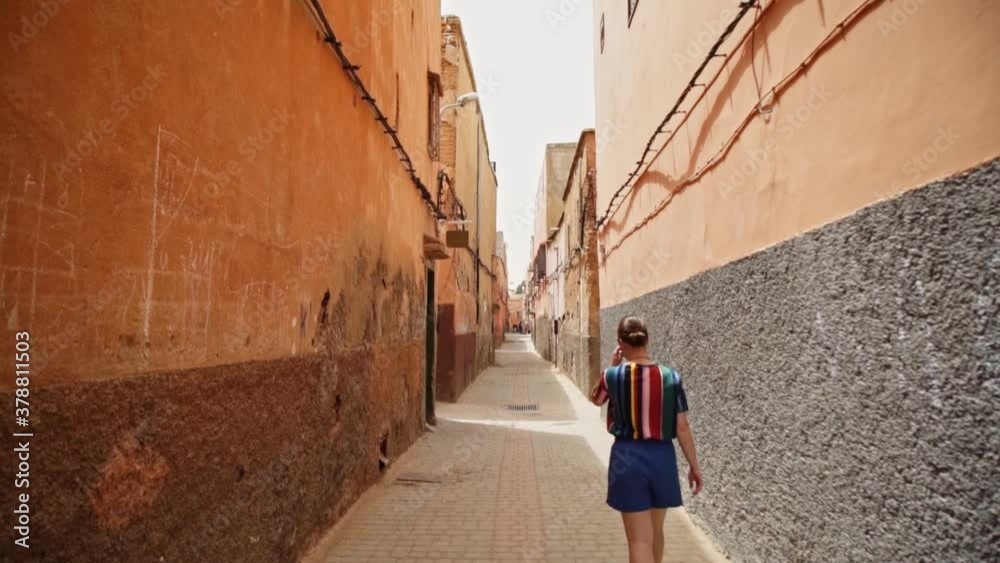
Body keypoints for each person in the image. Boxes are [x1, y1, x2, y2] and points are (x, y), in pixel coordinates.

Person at [590, 316, 703, 563]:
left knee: (639, 540)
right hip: (662, 457)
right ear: (647, 340)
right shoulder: (671, 378)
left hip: (627, 458)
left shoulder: (612, 376)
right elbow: (682, 427)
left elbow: (597, 400)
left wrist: (612, 366)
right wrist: (694, 467)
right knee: (655, 532)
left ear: (621, 342)